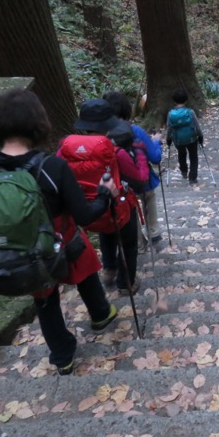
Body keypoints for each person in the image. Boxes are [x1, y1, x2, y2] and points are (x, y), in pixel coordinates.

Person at [0, 89, 118, 376]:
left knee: (45, 301)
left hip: (25, 253)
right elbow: (85, 215)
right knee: (80, 257)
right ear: (38, 123)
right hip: (62, 242)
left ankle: (62, 356)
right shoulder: (51, 166)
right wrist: (104, 195)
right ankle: (100, 314)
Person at [63, 99, 140, 295]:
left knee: (106, 234)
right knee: (129, 244)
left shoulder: (67, 152)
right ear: (108, 126)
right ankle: (126, 284)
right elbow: (138, 178)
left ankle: (109, 269)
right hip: (118, 207)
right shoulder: (115, 152)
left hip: (90, 210)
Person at [103, 91, 163, 254]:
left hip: (119, 184)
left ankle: (138, 243)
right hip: (143, 181)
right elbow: (155, 157)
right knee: (148, 197)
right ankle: (154, 232)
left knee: (129, 207)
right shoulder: (135, 130)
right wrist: (157, 142)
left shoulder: (104, 136)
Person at [166, 89, 203, 184]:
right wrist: (200, 135)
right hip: (191, 138)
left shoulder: (171, 114)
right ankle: (193, 177)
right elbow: (196, 125)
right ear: (186, 100)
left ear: (174, 100)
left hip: (178, 140)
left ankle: (184, 171)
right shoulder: (190, 112)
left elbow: (169, 128)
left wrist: (168, 139)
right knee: (193, 156)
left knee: (181, 154)